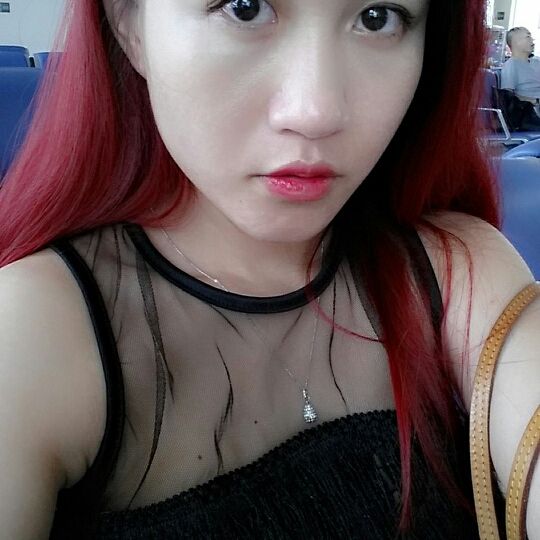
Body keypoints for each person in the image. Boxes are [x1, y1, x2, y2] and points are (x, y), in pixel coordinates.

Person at [0, 1, 538, 539]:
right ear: (129, 25)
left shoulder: (459, 268)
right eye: (245, 7)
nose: (315, 112)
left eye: (378, 18)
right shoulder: (31, 331)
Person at [501, 27, 540, 108]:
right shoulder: (511, 65)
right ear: (516, 42)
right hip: (531, 109)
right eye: (528, 37)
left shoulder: (537, 61)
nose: (532, 39)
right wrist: (535, 101)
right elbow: (507, 97)